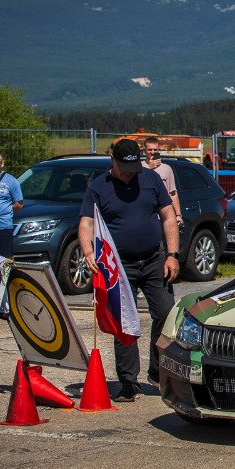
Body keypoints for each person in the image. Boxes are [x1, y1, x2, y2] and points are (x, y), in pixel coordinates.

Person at [78, 138, 179, 403]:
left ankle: (158, 371)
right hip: (118, 264)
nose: (129, 173)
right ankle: (128, 382)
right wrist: (88, 252)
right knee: (123, 320)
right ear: (113, 159)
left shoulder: (151, 180)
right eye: (124, 167)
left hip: (154, 259)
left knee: (166, 311)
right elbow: (87, 222)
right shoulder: (99, 187)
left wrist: (172, 255)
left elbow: (168, 216)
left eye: (133, 168)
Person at [142, 136, 183, 228]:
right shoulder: (139, 167)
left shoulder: (166, 169)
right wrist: (149, 168)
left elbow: (172, 193)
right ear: (144, 150)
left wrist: (178, 215)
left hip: (163, 216)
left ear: (159, 150)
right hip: (144, 215)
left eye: (155, 149)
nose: (153, 152)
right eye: (150, 149)